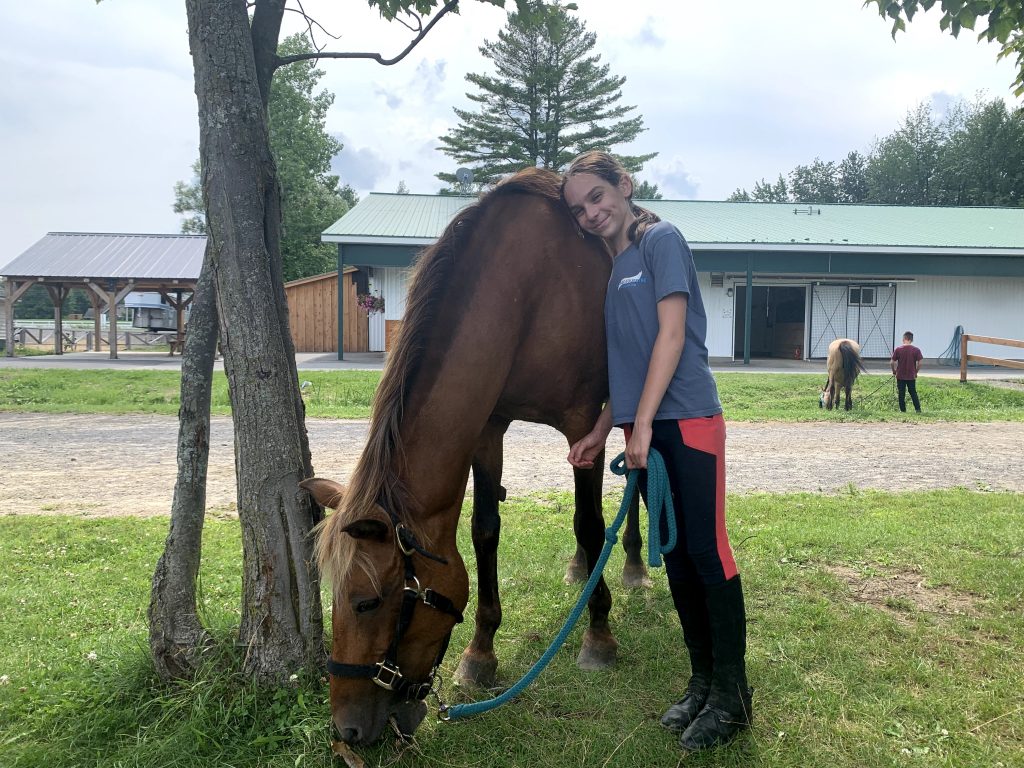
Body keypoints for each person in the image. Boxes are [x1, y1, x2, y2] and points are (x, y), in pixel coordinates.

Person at [562, 151, 752, 752]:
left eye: (597, 197)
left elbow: (671, 336)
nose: (591, 213)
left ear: (624, 185)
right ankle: (702, 683)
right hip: (644, 429)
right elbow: (631, 363)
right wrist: (603, 428)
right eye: (579, 209)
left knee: (707, 550)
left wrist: (642, 423)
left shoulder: (661, 241)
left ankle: (734, 695)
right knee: (673, 554)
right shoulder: (614, 266)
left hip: (689, 419)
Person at [891, 331, 923, 413]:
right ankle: (918, 409)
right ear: (911, 340)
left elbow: (892, 362)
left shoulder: (898, 349)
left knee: (901, 393)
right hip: (911, 375)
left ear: (904, 339)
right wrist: (916, 372)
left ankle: (903, 410)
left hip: (900, 375)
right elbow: (920, 363)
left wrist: (894, 371)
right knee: (913, 392)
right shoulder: (916, 350)